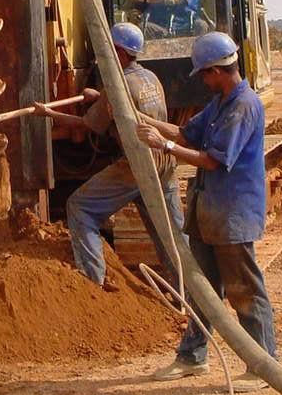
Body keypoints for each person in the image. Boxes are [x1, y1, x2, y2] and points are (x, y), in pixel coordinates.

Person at [136, 31, 275, 390]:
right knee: (203, 290)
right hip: (209, 211)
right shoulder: (220, 102)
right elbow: (185, 135)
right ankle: (193, 356)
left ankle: (263, 364)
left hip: (233, 213)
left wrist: (162, 144)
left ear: (217, 70)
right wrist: (144, 121)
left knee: (244, 288)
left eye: (204, 75)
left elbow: (214, 160)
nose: (203, 82)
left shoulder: (244, 105)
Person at [34, 23, 186, 291]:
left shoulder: (119, 86)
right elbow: (120, 106)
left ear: (120, 52)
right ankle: (189, 291)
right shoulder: (150, 78)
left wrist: (48, 114)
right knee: (170, 236)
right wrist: (99, 97)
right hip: (165, 164)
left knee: (80, 207)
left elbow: (86, 125)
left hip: (137, 166)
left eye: (108, 50)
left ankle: (93, 280)